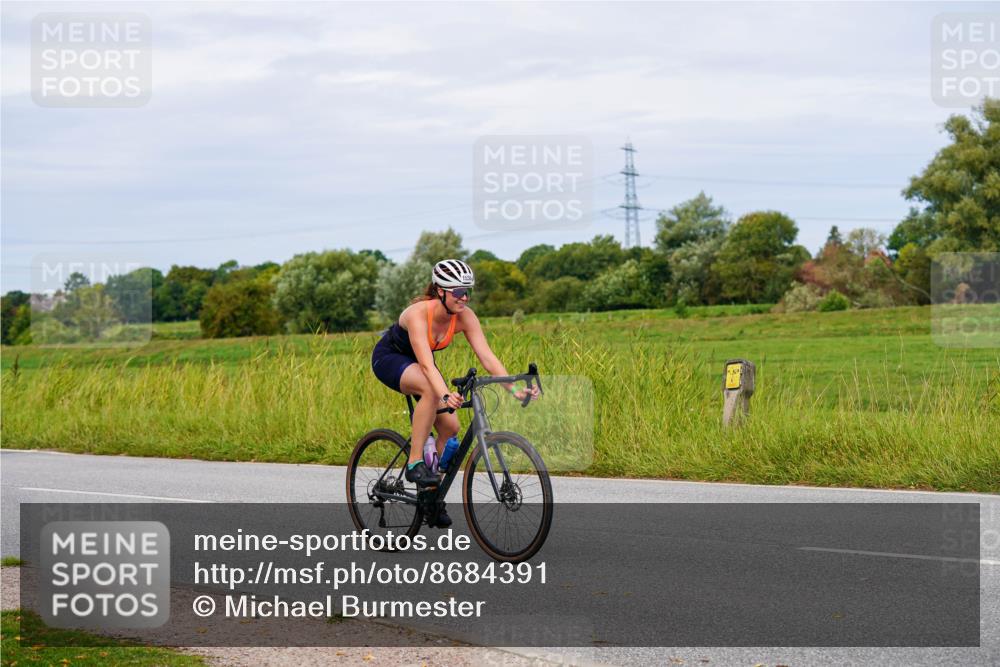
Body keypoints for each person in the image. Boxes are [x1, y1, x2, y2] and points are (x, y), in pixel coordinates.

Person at [370, 259, 539, 527]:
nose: (465, 297)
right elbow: (426, 365)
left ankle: (430, 494)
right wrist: (445, 394)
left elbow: (488, 358)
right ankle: (415, 464)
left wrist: (515, 389)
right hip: (390, 359)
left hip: (420, 366)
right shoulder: (417, 314)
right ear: (440, 291)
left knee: (450, 426)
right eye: (458, 292)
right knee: (430, 388)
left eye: (467, 291)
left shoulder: (465, 317)